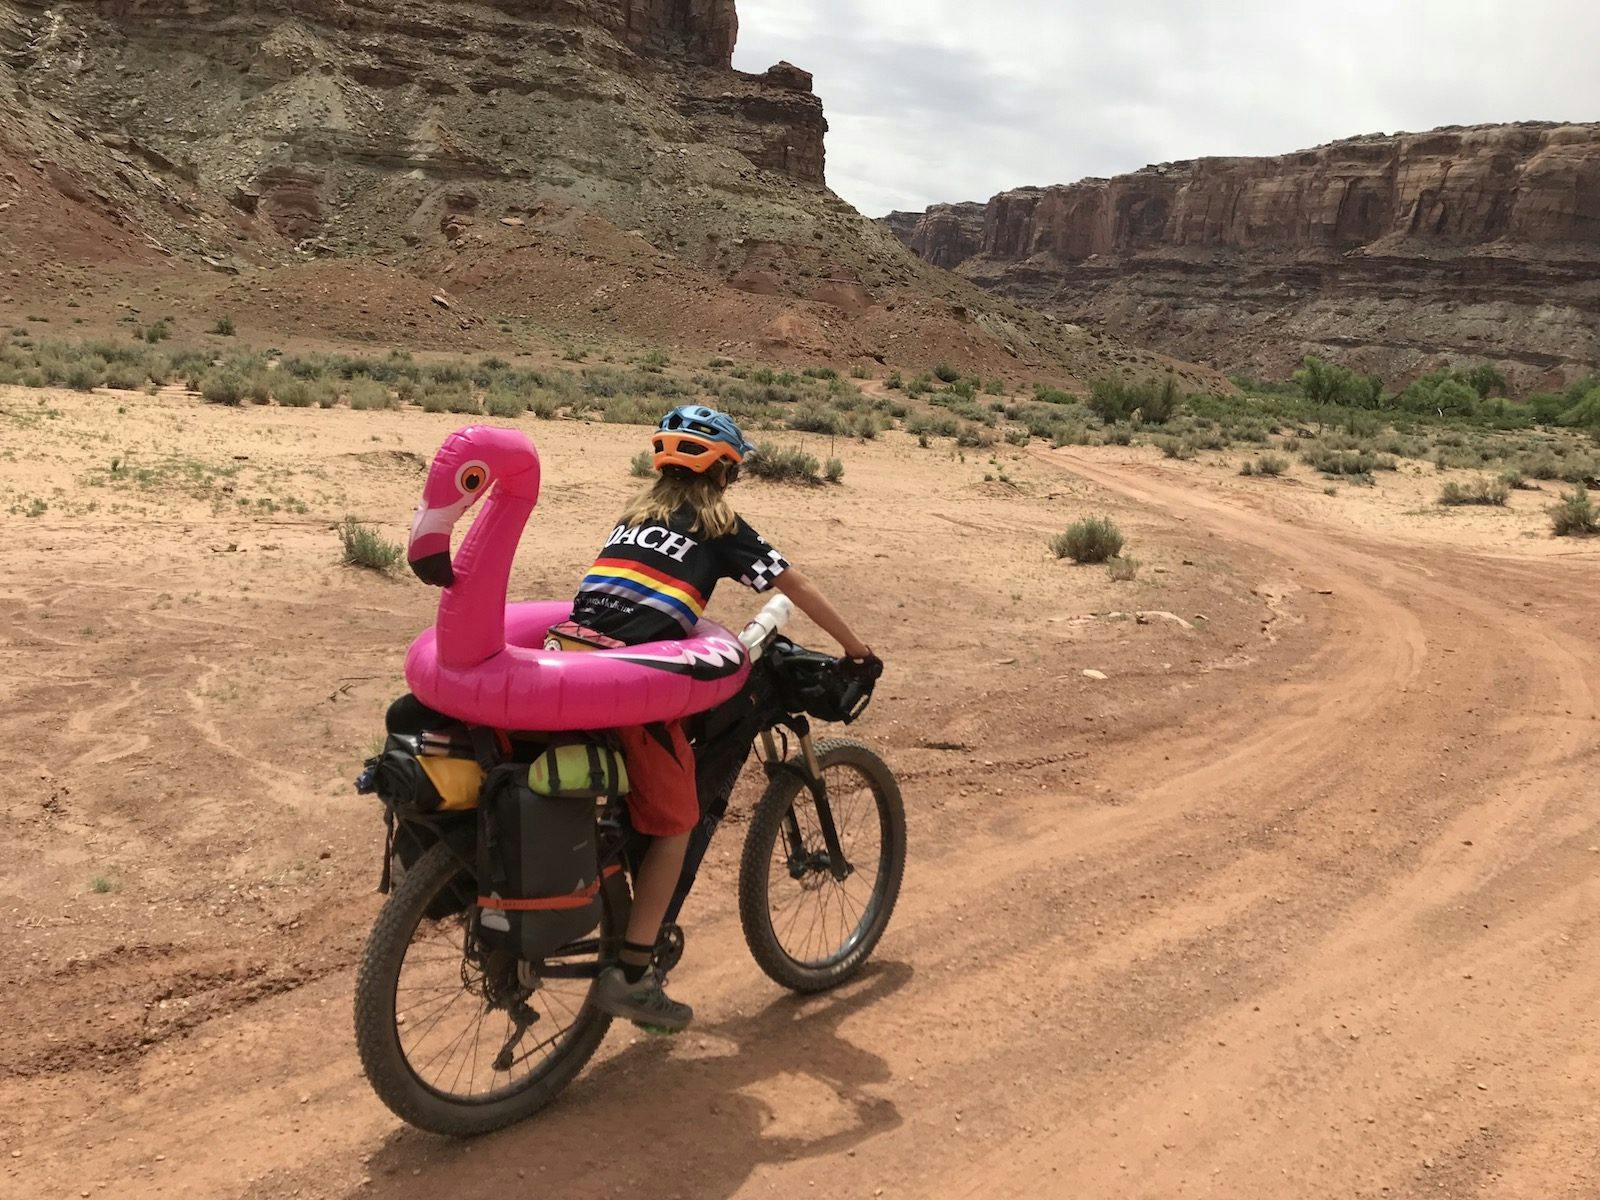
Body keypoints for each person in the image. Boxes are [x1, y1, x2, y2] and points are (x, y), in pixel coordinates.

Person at [567, 404, 877, 1032]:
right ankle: (632, 974)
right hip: (625, 688)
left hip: (566, 660)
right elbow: (797, 586)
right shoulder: (722, 527)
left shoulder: (633, 517)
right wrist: (857, 649)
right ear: (725, 473)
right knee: (678, 818)